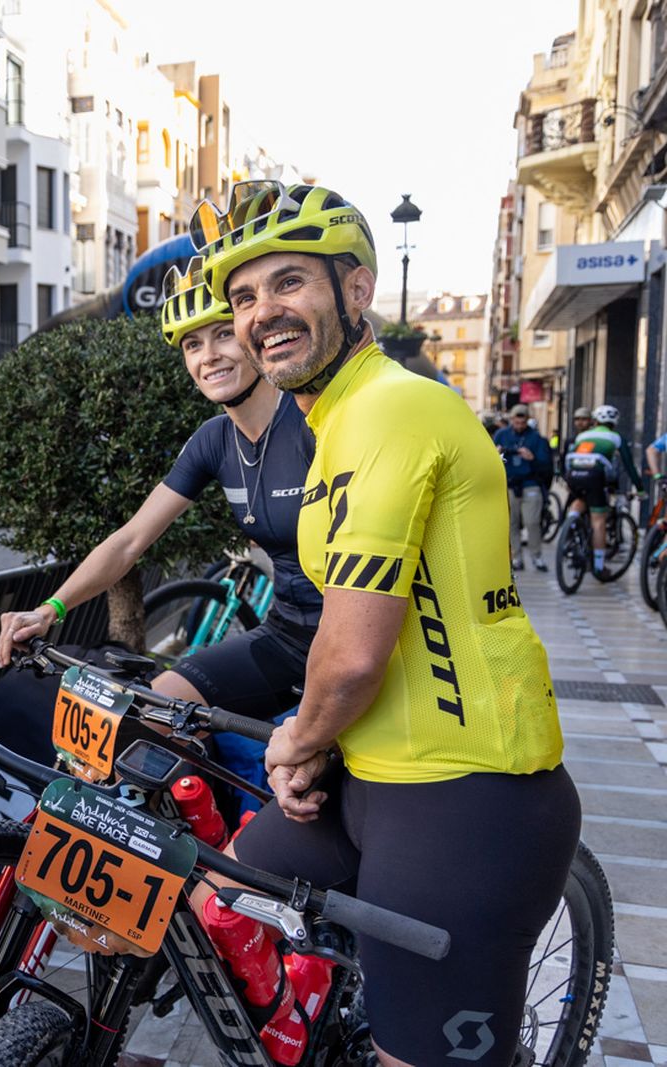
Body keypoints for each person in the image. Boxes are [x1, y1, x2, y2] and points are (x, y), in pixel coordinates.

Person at [194, 181, 576, 1067]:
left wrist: (297, 738)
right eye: (244, 297)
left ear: (356, 289)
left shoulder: (391, 409)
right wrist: (321, 745)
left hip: (467, 794)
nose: (262, 313)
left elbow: (355, 652)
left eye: (289, 283)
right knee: (218, 885)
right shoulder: (334, 421)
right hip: (371, 775)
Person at [0, 254, 321, 730]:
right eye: (192, 344)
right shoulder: (214, 440)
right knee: (146, 717)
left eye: (224, 334)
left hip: (353, 642)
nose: (208, 356)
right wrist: (50, 609)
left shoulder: (311, 423)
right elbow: (130, 541)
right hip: (285, 636)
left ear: (254, 336)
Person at [564, 403, 644, 576]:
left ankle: (570, 524)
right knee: (598, 520)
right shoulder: (616, 437)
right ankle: (599, 566)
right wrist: (641, 489)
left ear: (595, 420)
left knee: (580, 500)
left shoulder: (583, 436)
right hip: (594, 476)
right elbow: (629, 465)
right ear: (615, 422)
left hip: (573, 474)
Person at [494, 403, 554, 572]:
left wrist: (532, 458)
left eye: (522, 422)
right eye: (516, 421)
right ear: (511, 419)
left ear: (527, 420)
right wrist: (495, 454)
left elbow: (546, 465)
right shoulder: (501, 435)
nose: (519, 425)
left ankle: (536, 556)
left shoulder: (536, 438)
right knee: (511, 523)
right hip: (509, 484)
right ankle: (516, 558)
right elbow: (489, 459)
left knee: (532, 522)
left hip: (530, 483)